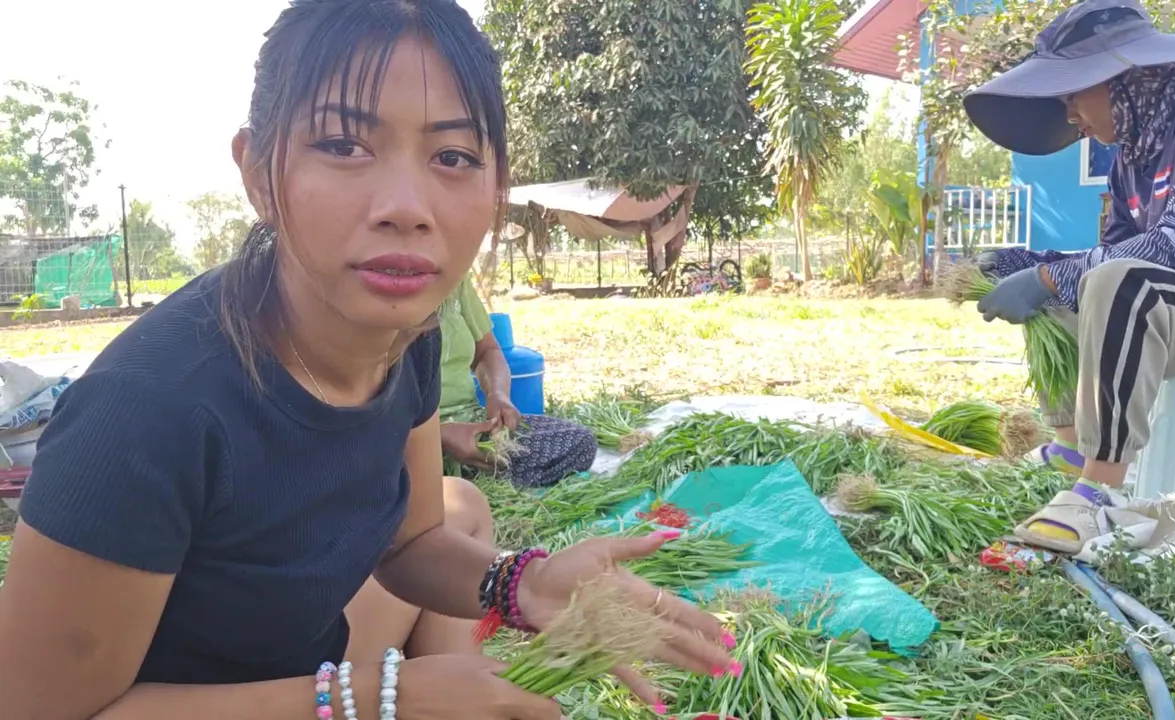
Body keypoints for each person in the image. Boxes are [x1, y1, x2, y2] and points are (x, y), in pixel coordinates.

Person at [0, 3, 735, 719]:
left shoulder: (406, 339)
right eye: (344, 146)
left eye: (454, 157)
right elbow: (37, 711)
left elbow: (411, 541)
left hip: (305, 670)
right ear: (258, 172)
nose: (407, 206)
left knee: (464, 506)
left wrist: (524, 583)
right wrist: (378, 698)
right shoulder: (144, 413)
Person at [962, 0, 1175, 554]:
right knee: (1073, 288)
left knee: (1114, 282)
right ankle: (1072, 448)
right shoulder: (1131, 156)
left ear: (1123, 78)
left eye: (1073, 95)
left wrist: (1050, 275)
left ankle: (1099, 494)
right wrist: (1030, 264)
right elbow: (1112, 251)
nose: (1070, 116)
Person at [438, 275, 596, 486]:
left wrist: (498, 394)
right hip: (405, 441)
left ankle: (470, 483)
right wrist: (438, 437)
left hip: (471, 425)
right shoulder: (393, 303)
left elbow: (486, 351)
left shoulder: (454, 278)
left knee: (579, 442)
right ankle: (453, 486)